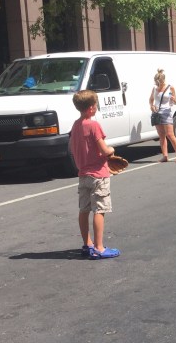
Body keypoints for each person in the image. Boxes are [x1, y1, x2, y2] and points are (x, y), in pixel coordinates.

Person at [69, 90, 120, 260]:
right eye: (96, 105)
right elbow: (104, 149)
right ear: (91, 108)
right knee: (100, 209)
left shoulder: (75, 126)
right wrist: (112, 150)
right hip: (98, 174)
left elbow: (74, 148)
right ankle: (99, 247)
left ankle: (88, 244)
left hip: (83, 174)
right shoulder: (93, 125)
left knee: (84, 210)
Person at [149, 68, 176, 163]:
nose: (157, 84)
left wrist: (173, 98)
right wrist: (151, 106)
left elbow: (175, 101)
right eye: (156, 82)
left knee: (170, 135)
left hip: (166, 112)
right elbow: (151, 99)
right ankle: (165, 156)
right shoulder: (154, 88)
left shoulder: (170, 88)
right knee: (161, 136)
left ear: (163, 80)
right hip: (156, 113)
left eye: (158, 82)